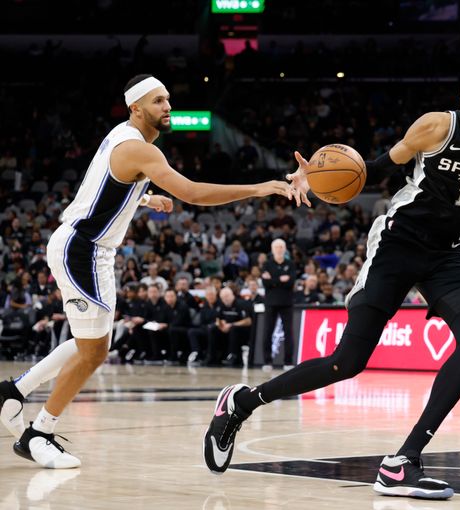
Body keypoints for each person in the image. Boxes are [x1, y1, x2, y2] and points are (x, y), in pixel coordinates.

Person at [202, 65, 460, 500]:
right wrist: (316, 181)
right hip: (397, 244)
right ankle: (241, 404)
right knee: (348, 361)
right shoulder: (436, 127)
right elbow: (374, 169)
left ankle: (404, 461)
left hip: (446, 253)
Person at [0, 74, 301, 468]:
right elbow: (192, 192)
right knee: (94, 351)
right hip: (83, 250)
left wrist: (144, 198)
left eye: (169, 100)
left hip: (93, 251)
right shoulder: (140, 150)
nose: (168, 107)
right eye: (159, 101)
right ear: (136, 108)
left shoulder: (124, 139)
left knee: (92, 342)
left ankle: (15, 390)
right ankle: (38, 433)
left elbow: (102, 186)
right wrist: (260, 188)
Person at [260, 238, 296, 368]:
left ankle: (288, 361)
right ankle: (267, 361)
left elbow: (291, 282)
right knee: (267, 332)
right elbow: (265, 283)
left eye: (281, 247)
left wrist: (273, 280)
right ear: (272, 249)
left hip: (286, 302)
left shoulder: (290, 264)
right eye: (277, 247)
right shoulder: (266, 264)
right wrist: (281, 279)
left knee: (288, 332)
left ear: (285, 249)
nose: (279, 249)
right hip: (270, 302)